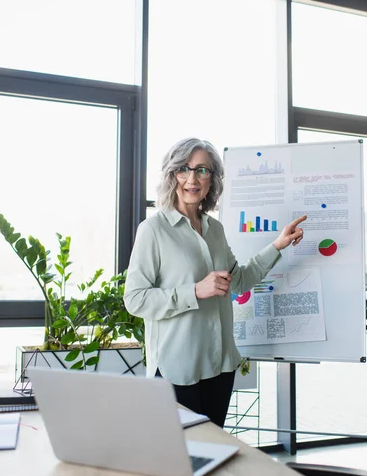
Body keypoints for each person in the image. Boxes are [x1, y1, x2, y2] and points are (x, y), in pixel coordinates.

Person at [124, 138, 306, 428]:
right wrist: (195, 291)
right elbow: (135, 299)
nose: (192, 179)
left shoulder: (215, 229)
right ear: (172, 175)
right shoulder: (153, 230)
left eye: (202, 170)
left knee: (213, 460)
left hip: (220, 366)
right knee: (182, 462)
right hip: (177, 369)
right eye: (184, 169)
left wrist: (278, 244)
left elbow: (240, 280)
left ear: (212, 180)